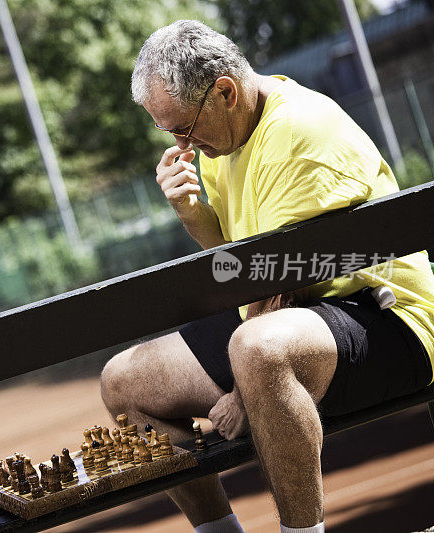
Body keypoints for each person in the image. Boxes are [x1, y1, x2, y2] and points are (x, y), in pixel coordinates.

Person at [100, 20, 434, 533]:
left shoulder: (297, 131)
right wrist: (194, 216)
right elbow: (242, 270)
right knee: (123, 384)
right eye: (168, 133)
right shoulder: (223, 138)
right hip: (284, 312)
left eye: (183, 128)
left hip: (387, 316)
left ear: (225, 92)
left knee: (257, 352)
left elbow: (286, 281)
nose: (182, 144)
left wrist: (242, 392)